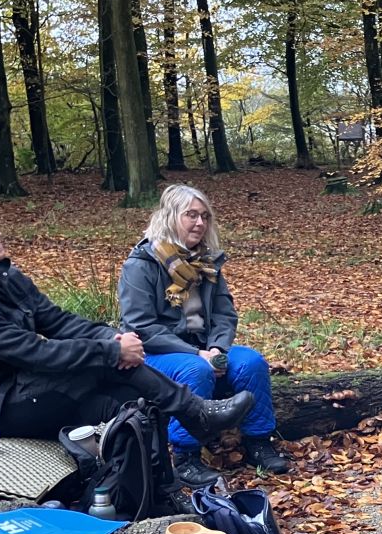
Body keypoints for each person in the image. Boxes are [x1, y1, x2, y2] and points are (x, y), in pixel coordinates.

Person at [0, 197, 256, 454]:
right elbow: (35, 353)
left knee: (131, 402)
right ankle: (196, 414)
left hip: (32, 384)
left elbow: (54, 320)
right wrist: (111, 351)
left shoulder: (3, 275)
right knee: (109, 367)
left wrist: (110, 336)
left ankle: (158, 485)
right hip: (0, 406)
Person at [118, 185, 290, 486]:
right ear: (170, 217)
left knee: (251, 362)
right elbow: (140, 326)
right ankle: (186, 457)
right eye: (191, 215)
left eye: (204, 217)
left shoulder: (206, 263)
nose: (200, 223)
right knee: (195, 370)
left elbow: (225, 313)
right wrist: (197, 354)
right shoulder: (141, 264)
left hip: (204, 348)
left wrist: (216, 348)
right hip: (157, 354)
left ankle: (258, 443)